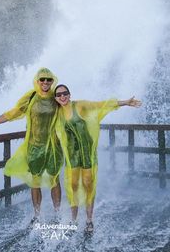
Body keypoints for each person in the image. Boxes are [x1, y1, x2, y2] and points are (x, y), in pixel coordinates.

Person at [0, 68, 63, 222]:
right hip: (34, 146)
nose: (46, 82)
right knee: (35, 182)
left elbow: (71, 110)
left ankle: (57, 214)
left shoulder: (56, 96)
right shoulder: (31, 96)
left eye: (49, 79)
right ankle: (37, 215)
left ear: (52, 80)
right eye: (42, 79)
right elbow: (11, 114)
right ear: (37, 80)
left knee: (55, 180)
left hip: (53, 146)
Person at [54, 84, 142, 233]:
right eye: (59, 95)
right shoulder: (56, 113)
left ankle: (89, 220)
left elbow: (100, 105)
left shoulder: (79, 105)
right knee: (73, 185)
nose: (62, 96)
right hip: (72, 154)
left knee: (88, 183)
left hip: (87, 151)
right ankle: (73, 220)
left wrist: (125, 102)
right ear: (55, 98)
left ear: (70, 94)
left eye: (65, 93)